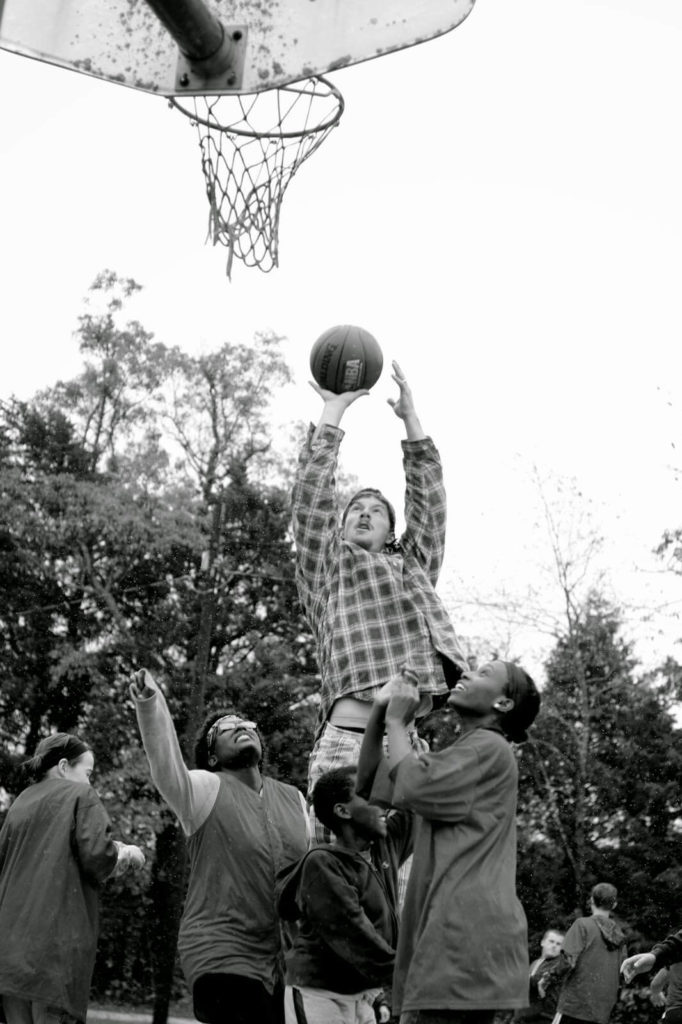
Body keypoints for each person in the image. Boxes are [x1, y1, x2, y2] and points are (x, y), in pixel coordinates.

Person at [291, 361, 468, 834]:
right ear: (342, 523)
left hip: (405, 742)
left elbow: (430, 506)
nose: (364, 514)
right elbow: (310, 503)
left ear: (392, 532)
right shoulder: (327, 565)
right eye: (355, 509)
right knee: (336, 871)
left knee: (407, 890)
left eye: (376, 511)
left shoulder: (411, 567)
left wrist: (411, 421)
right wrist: (332, 414)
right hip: (343, 743)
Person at [360, 658, 541, 1024]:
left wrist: (397, 721)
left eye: (483, 673)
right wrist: (381, 709)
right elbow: (368, 783)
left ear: (503, 703)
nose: (466, 674)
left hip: (465, 940)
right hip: (447, 938)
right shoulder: (459, 757)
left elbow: (412, 784)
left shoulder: (490, 748)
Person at [130, 669, 309, 1024]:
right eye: (225, 728)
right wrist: (151, 707)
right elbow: (167, 769)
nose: (240, 725)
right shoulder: (205, 788)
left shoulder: (295, 800)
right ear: (212, 756)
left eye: (246, 722)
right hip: (220, 951)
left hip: (283, 964)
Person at [0, 733, 145, 1024]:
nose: (90, 782)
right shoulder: (80, 795)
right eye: (87, 773)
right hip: (54, 954)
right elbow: (98, 858)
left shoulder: (19, 805)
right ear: (64, 766)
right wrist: (127, 854)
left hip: (9, 955)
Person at [276, 761, 413, 1024]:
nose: (382, 802)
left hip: (363, 996)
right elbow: (352, 930)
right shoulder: (323, 863)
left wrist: (408, 764)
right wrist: (404, 976)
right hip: (319, 994)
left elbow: (415, 807)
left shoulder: (385, 847)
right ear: (342, 810)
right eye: (368, 794)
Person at [546, 883, 627, 1024]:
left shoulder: (582, 925)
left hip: (575, 1005)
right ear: (614, 905)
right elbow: (624, 972)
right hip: (602, 1010)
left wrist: (547, 978)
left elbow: (568, 961)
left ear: (591, 901)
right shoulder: (619, 935)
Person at [514, 929, 565, 1024]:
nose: (554, 946)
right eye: (551, 941)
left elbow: (539, 980)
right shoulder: (535, 963)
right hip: (526, 1016)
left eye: (558, 944)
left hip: (544, 1016)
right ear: (542, 942)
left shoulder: (558, 965)